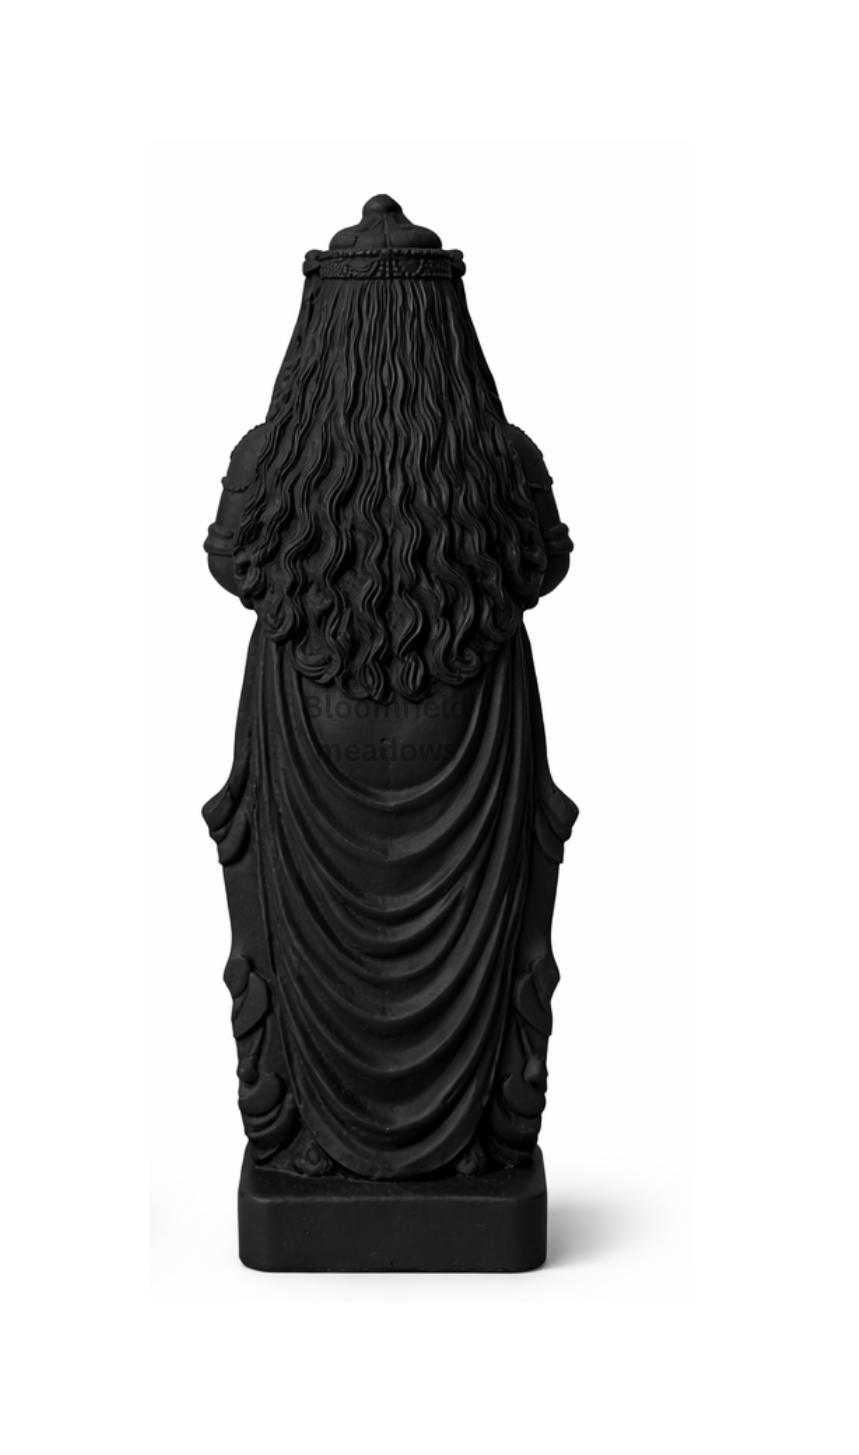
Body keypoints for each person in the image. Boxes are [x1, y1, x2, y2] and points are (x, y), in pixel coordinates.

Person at [203, 196, 577, 1179]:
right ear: (449, 334)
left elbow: (230, 560)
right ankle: (466, 1144)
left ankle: (311, 1141)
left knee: (303, 942)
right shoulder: (504, 462)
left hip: (309, 715)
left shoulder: (268, 463)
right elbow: (546, 561)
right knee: (487, 932)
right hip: (473, 718)